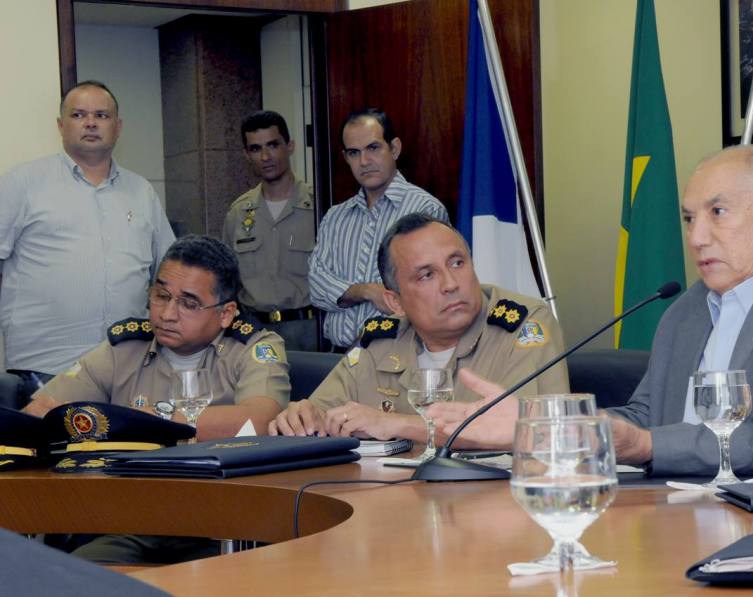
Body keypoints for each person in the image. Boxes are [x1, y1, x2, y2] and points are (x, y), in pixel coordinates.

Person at [432, 146, 753, 482]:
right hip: (696, 515)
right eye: (689, 218)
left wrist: (645, 446)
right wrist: (547, 426)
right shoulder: (689, 307)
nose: (696, 237)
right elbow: (648, 415)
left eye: (718, 212)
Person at [269, 214, 568, 441]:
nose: (450, 284)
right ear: (395, 302)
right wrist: (304, 417)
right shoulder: (381, 340)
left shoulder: (524, 326)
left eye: (457, 263)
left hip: (493, 499)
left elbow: (533, 430)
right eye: (427, 275)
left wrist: (395, 424)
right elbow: (322, 412)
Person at [0, 80, 174, 399]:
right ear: (60, 125)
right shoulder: (22, 183)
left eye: (101, 115)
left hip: (129, 365)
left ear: (118, 127)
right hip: (45, 366)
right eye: (79, 114)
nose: (91, 123)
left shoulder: (141, 191)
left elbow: (169, 272)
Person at [24, 235, 290, 442]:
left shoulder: (252, 347)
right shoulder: (124, 348)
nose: (167, 314)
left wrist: (132, 420)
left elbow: (259, 421)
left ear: (226, 313)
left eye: (189, 304)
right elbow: (38, 413)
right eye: (161, 296)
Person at [308, 108, 448, 351]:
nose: (364, 161)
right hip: (338, 356)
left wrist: (344, 291)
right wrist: (368, 291)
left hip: (399, 354)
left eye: (373, 148)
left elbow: (428, 288)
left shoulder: (423, 209)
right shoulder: (335, 217)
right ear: (346, 158)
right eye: (354, 153)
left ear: (394, 149)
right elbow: (316, 287)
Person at [222, 110, 318, 351]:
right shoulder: (238, 213)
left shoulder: (318, 207)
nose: (265, 156)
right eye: (256, 149)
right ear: (247, 154)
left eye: (273, 145)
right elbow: (227, 282)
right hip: (254, 332)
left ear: (290, 146)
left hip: (308, 331)